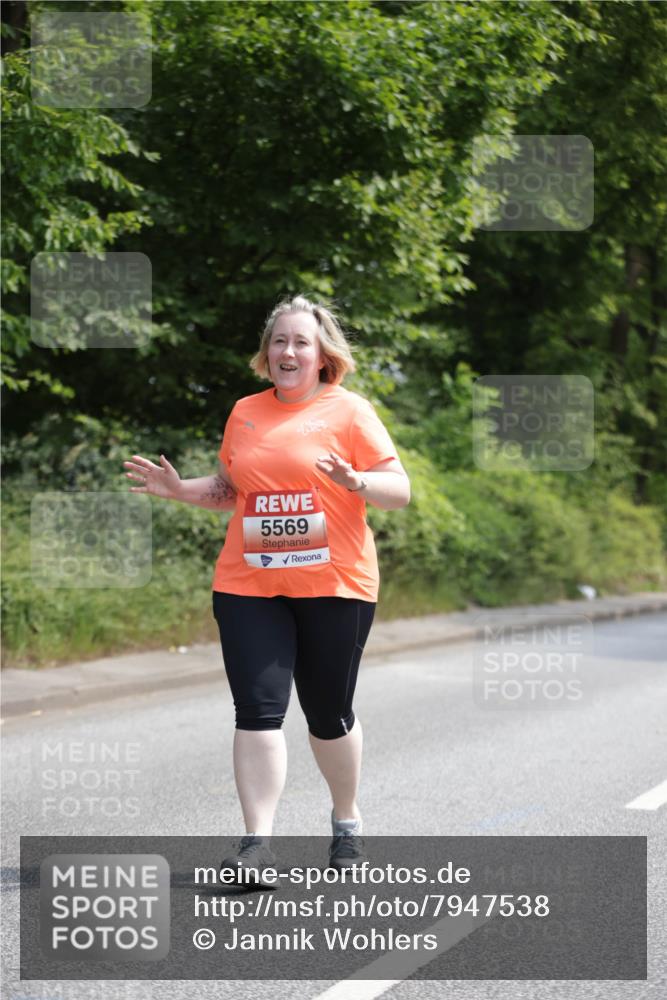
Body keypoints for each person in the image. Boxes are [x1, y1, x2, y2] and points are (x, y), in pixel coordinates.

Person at [124, 294, 410, 876]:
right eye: (279, 341)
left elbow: (398, 489)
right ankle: (257, 845)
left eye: (301, 342)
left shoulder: (349, 411)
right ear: (266, 352)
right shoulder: (246, 411)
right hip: (249, 583)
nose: (288, 351)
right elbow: (233, 489)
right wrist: (179, 490)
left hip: (336, 583)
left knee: (328, 713)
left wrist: (358, 480)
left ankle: (346, 820)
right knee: (257, 709)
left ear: (322, 354)